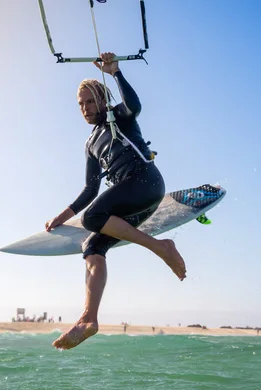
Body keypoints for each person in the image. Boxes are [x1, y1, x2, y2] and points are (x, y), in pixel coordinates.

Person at [46, 52, 186, 350]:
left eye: (89, 101)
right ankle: (88, 319)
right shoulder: (90, 144)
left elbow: (135, 105)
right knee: (92, 247)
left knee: (92, 219)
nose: (85, 108)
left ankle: (161, 247)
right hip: (132, 204)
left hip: (146, 183)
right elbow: (90, 190)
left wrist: (116, 73)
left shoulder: (118, 116)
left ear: (101, 99)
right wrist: (62, 216)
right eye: (80, 104)